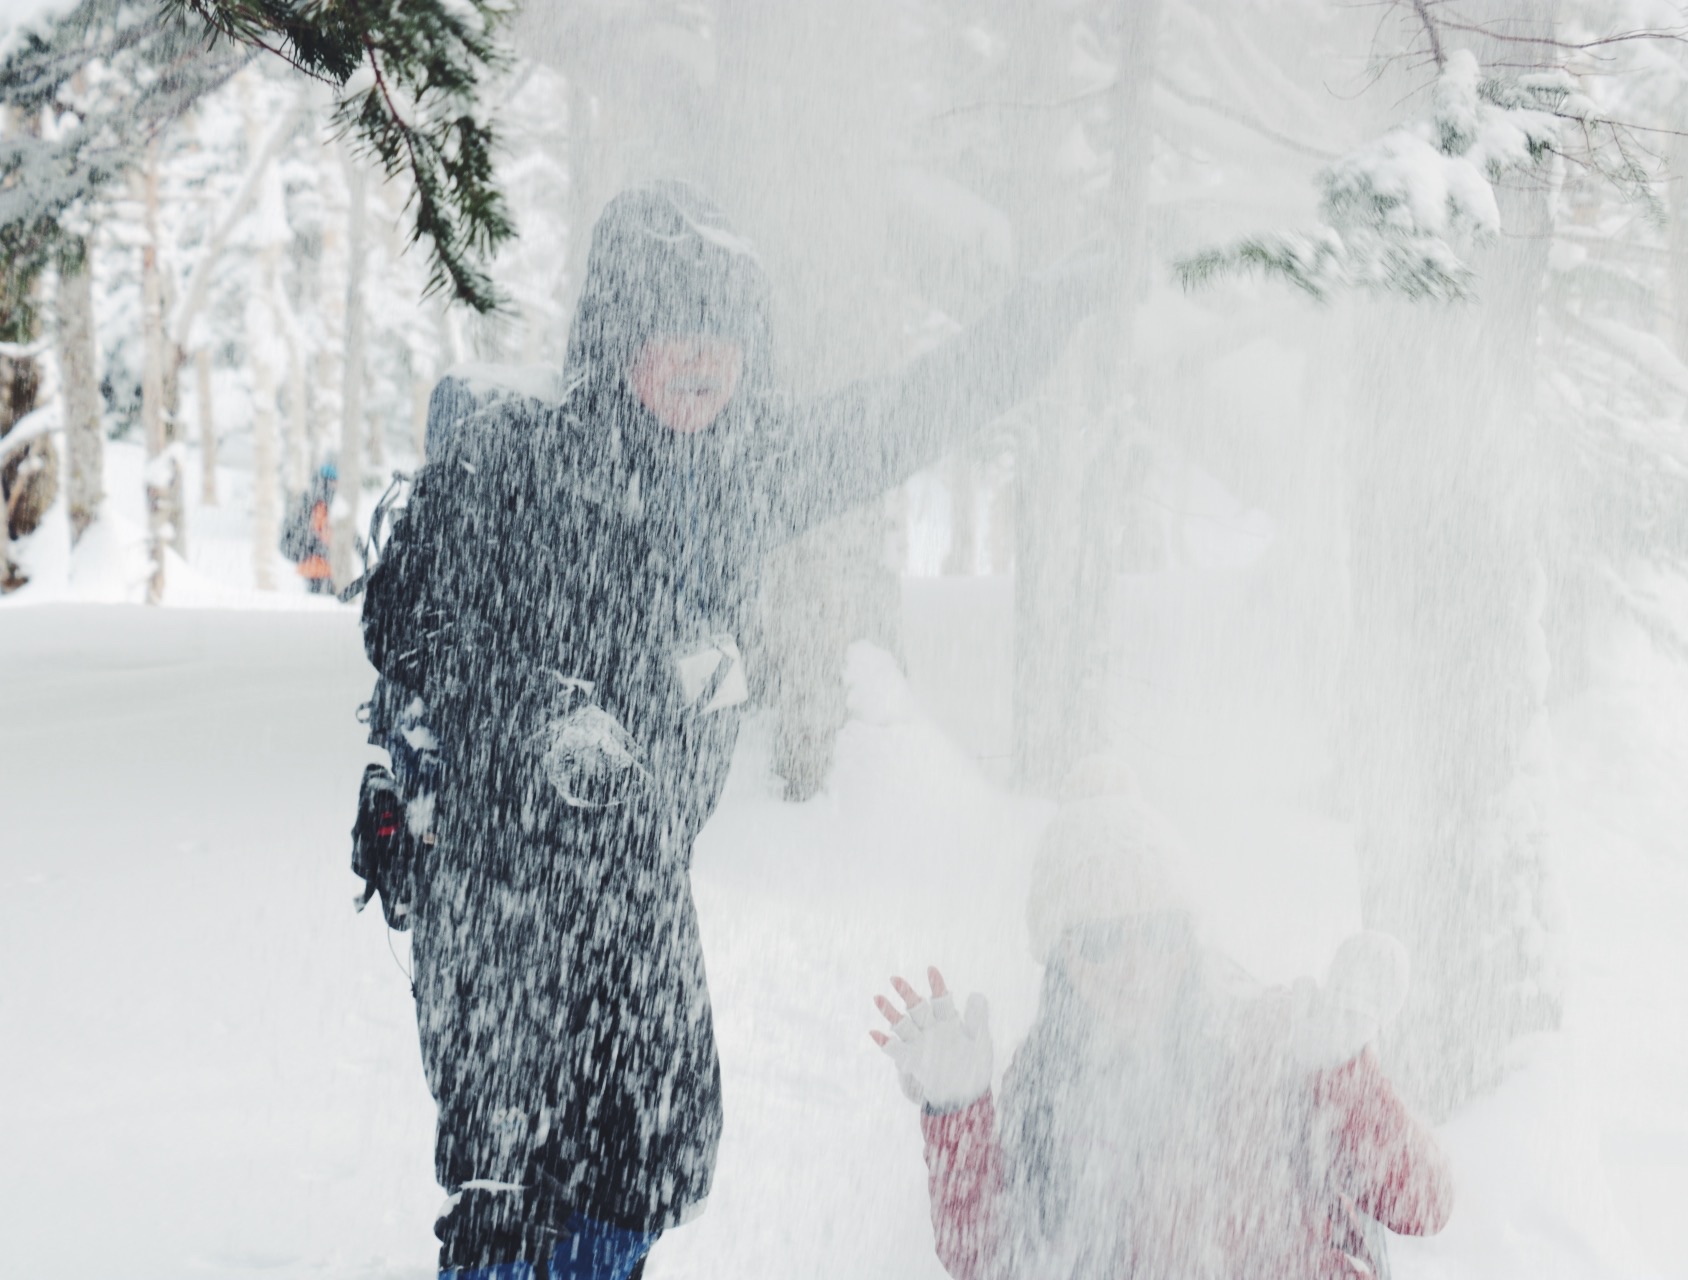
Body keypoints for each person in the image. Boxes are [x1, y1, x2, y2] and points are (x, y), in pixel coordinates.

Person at [359, 181, 1104, 1280]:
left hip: (638, 893)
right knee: (511, 1198)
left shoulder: (736, 470)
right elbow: (421, 636)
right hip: (502, 900)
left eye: (726, 333)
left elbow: (893, 422)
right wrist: (550, 724)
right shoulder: (518, 464)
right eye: (673, 328)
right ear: (618, 335)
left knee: (647, 1159)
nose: (703, 357)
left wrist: (1040, 321)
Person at [870, 759, 1453, 1280]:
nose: (1136, 964)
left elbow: (1424, 1203)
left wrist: (1346, 1070)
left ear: (1189, 935)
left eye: (1157, 932)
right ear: (1061, 960)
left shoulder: (1270, 1037)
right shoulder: (1047, 1080)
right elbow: (998, 1262)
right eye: (1103, 941)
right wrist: (958, 1113)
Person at [281, 460, 338, 593]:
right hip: (319, 569)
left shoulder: (311, 498)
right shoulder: (320, 502)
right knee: (323, 608)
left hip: (313, 566)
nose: (336, 486)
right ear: (328, 481)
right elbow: (321, 533)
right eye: (335, 482)